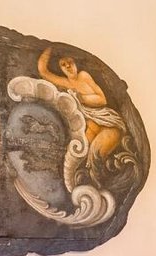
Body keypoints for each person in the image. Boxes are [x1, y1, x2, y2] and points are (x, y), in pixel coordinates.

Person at [36, 46, 128, 175]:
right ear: (61, 69)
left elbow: (102, 100)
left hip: (107, 123)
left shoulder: (83, 76)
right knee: (80, 158)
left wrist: (81, 97)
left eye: (70, 62)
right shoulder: (65, 83)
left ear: (75, 63)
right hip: (91, 125)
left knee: (95, 157)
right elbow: (43, 71)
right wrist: (50, 47)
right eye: (63, 65)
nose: (68, 66)